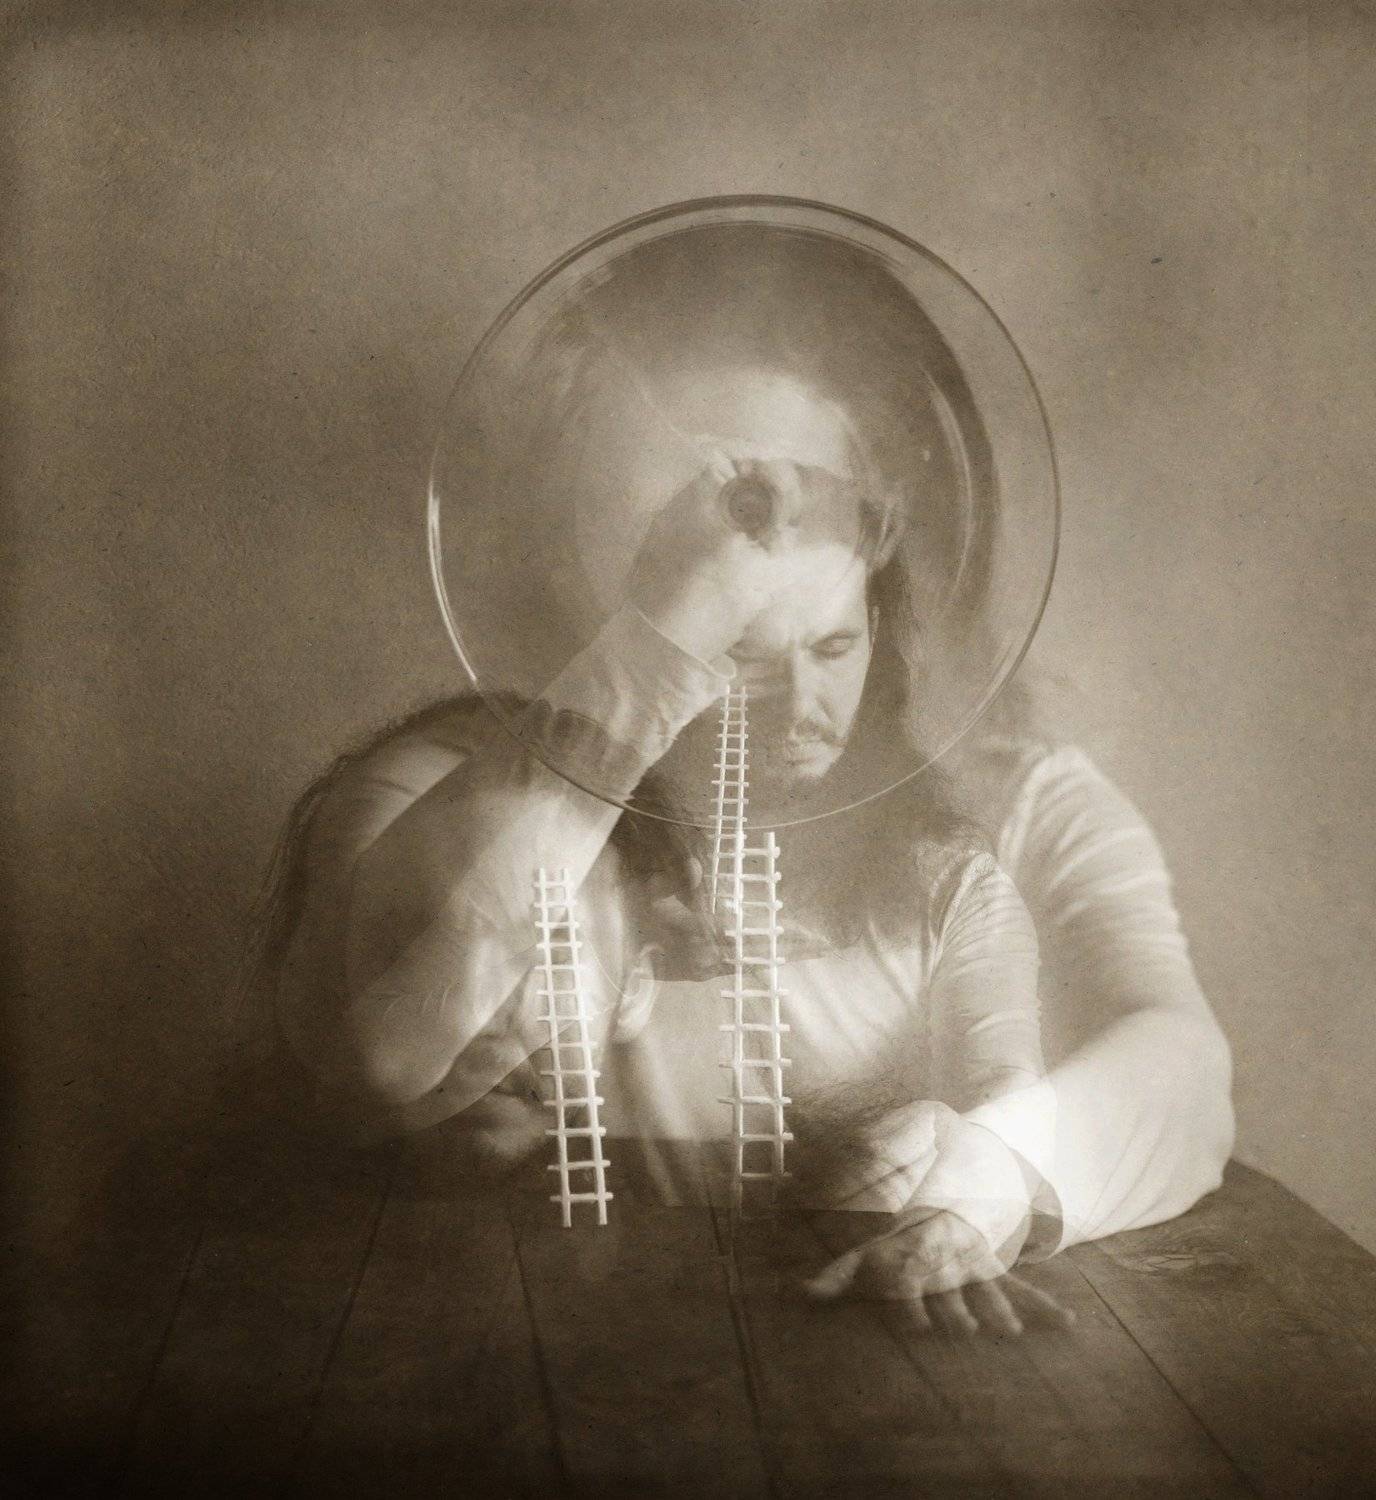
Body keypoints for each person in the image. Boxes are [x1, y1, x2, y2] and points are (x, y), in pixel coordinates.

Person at [260, 238, 1234, 1337]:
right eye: (717, 507)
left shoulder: (1015, 808)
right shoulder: (478, 778)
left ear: (883, 536)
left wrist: (995, 1170)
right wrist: (658, 649)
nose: (762, 531)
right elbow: (371, 1056)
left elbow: (1180, 1067)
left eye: (806, 497)